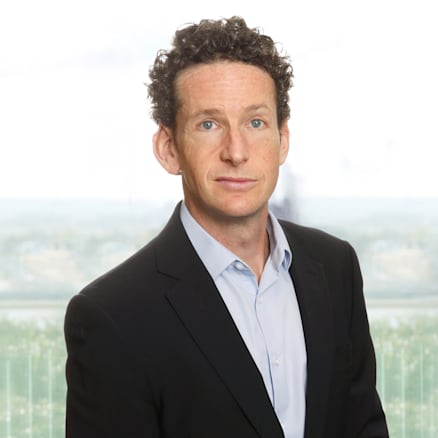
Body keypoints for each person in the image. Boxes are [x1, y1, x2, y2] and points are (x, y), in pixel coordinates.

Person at [64, 16, 389, 438]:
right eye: (209, 124)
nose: (236, 152)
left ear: (282, 139)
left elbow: (363, 427)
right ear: (168, 149)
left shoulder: (336, 267)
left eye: (255, 122)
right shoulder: (111, 315)